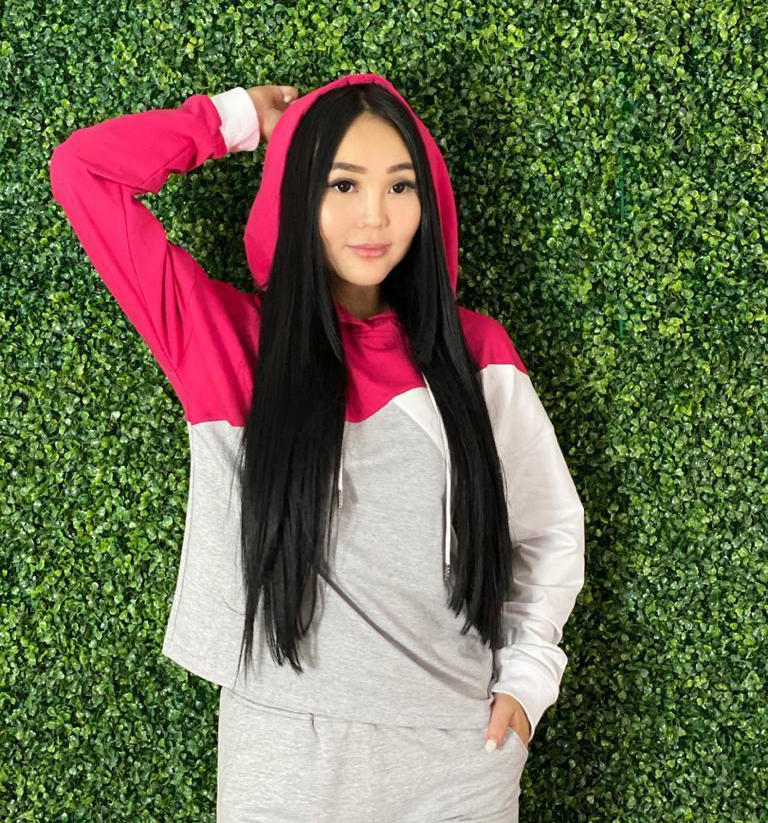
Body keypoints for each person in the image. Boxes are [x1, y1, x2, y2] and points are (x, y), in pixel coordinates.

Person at [49, 73, 586, 822]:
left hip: (458, 758)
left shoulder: (475, 354)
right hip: (286, 755)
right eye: (343, 183)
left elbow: (547, 527)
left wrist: (527, 683)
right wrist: (234, 119)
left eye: (401, 186)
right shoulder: (228, 345)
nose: (375, 215)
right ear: (298, 192)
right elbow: (83, 172)